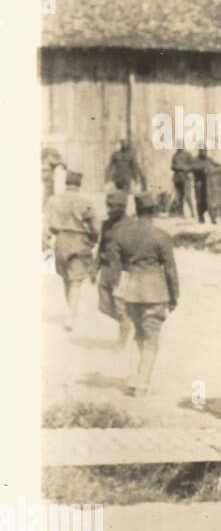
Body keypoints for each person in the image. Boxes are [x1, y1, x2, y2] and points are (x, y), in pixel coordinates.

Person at [108, 193, 179, 397]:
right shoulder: (161, 235)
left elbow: (116, 265)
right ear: (153, 211)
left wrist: (117, 290)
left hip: (131, 291)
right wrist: (174, 296)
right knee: (151, 339)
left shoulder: (122, 234)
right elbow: (170, 270)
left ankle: (133, 379)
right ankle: (142, 383)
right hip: (155, 293)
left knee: (138, 334)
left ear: (137, 211)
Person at [45, 170, 99, 334]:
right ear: (79, 184)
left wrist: (47, 242)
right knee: (76, 280)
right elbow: (95, 226)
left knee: (66, 279)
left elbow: (46, 225)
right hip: (79, 240)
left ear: (66, 183)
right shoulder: (86, 202)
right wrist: (93, 240)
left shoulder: (53, 200)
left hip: (60, 241)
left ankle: (71, 313)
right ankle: (71, 315)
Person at [95, 189, 132, 350]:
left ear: (122, 207)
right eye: (107, 206)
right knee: (104, 305)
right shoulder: (106, 225)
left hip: (123, 271)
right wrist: (94, 268)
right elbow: (101, 246)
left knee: (120, 306)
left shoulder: (132, 225)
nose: (109, 209)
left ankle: (122, 341)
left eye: (113, 206)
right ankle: (129, 322)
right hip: (107, 269)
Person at [171, 148, 195, 217]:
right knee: (179, 197)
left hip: (186, 178)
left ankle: (192, 212)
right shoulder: (175, 155)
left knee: (188, 196)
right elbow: (172, 166)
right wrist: (176, 167)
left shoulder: (188, 154)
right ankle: (181, 213)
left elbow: (193, 165)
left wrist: (184, 168)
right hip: (177, 178)